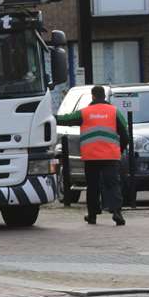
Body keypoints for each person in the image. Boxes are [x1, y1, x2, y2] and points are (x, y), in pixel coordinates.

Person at [58, 85, 129, 226]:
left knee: (92, 186)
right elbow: (125, 135)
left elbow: (65, 119)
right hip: (110, 156)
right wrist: (118, 150)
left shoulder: (85, 112)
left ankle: (92, 215)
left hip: (91, 156)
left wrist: (49, 117)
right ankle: (116, 212)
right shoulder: (114, 112)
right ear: (104, 96)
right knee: (113, 184)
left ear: (93, 96)